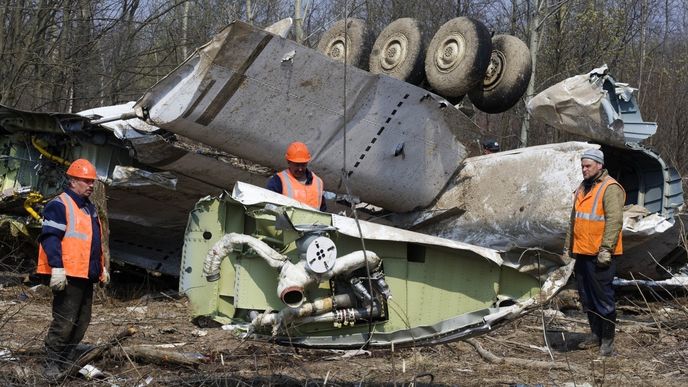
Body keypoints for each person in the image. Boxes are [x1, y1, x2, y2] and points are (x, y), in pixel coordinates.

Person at [37, 158, 109, 378]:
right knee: (64, 322)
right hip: (68, 274)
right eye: (85, 181)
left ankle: (66, 363)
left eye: (91, 182)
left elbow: (94, 240)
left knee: (81, 323)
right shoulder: (59, 205)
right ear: (72, 180)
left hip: (86, 273)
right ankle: (51, 364)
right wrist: (56, 267)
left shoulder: (89, 207)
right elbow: (50, 238)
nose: (90, 185)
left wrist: (101, 268)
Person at [563, 148, 625, 357]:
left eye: (588, 166)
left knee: (603, 298)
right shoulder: (583, 187)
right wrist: (570, 247)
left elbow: (615, 221)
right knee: (587, 297)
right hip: (582, 252)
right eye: (582, 166)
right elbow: (575, 219)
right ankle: (595, 334)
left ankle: (607, 343)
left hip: (600, 255)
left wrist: (606, 249)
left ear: (599, 165)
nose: (584, 169)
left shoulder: (610, 188)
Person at [267, 141, 326, 211]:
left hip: (314, 222)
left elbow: (323, 210)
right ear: (288, 162)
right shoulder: (278, 180)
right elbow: (269, 205)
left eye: (303, 164)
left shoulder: (318, 182)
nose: (300, 169)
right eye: (297, 165)